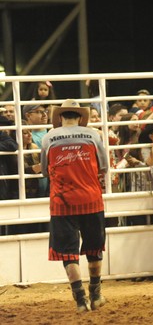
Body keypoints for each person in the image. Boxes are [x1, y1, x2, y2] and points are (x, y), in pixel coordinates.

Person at [39, 99, 109, 312]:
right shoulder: (94, 135)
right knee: (94, 248)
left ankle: (80, 301)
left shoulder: (49, 137)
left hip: (62, 202)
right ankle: (96, 295)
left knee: (68, 253)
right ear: (80, 117)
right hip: (91, 199)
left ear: (61, 117)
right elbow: (104, 166)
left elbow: (44, 170)